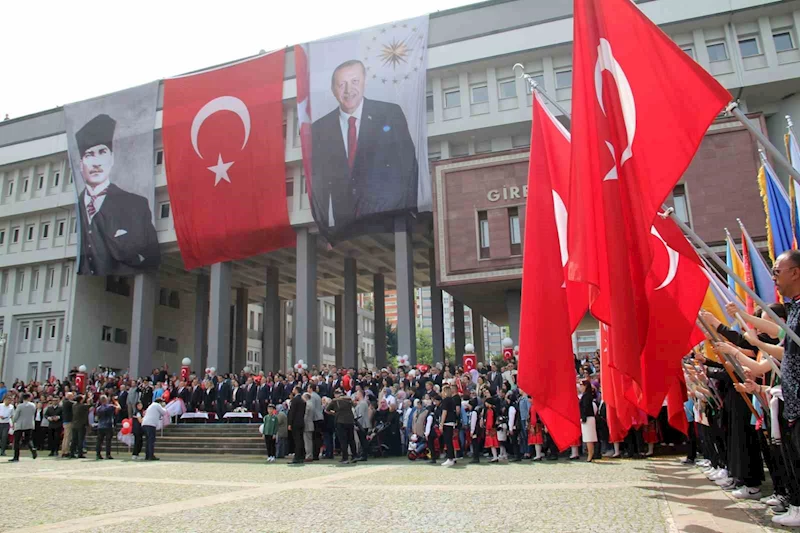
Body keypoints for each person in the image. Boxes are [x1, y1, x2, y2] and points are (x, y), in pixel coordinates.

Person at [310, 59, 419, 237]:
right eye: (341, 84)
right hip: (345, 228)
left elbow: (409, 167)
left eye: (354, 81)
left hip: (389, 222)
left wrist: (409, 215)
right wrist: (324, 230)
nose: (348, 90)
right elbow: (319, 184)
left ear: (364, 81)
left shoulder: (390, 114)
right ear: (333, 90)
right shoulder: (319, 129)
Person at [73, 113, 160, 276]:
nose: (96, 162)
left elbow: (151, 256)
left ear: (112, 159)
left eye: (102, 152)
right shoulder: (78, 206)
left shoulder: (135, 205)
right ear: (80, 164)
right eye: (89, 154)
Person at [327, 390, 357, 464]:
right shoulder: (349, 399)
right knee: (351, 439)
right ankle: (354, 456)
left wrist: (335, 413)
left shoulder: (335, 401)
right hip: (350, 421)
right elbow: (355, 406)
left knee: (343, 440)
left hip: (340, 421)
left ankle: (345, 458)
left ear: (335, 394)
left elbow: (327, 410)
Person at [10, 393, 37, 462]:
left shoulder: (20, 406)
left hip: (20, 424)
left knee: (17, 441)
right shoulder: (33, 405)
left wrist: (13, 421)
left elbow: (16, 416)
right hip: (29, 424)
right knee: (28, 439)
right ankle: (32, 448)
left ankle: (16, 456)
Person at [94, 395, 120, 460]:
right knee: (108, 441)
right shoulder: (110, 406)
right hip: (108, 425)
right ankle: (108, 454)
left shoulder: (98, 408)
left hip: (100, 425)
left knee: (99, 441)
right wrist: (116, 401)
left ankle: (98, 454)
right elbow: (118, 408)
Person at [579, 380, 598, 463]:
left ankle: (590, 455)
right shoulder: (586, 395)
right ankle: (590, 454)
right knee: (588, 438)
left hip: (588, 418)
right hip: (588, 418)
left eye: (581, 385)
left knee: (589, 438)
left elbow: (585, 408)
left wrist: (583, 418)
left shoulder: (586, 396)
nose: (580, 387)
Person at [439, 385, 458, 467]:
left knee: (448, 441)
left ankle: (450, 458)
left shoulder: (445, 400)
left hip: (447, 422)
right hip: (452, 421)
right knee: (450, 440)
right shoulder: (452, 400)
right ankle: (452, 457)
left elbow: (444, 412)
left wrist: (441, 423)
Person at [287, 387, 306, 464]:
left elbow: (292, 412)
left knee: (297, 440)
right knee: (300, 440)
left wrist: (290, 423)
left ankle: (297, 457)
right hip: (301, 422)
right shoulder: (302, 400)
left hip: (295, 422)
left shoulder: (295, 400)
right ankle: (301, 456)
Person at [60, 392, 74, 457]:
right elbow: (75, 403)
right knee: (68, 437)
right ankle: (66, 451)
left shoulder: (64, 402)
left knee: (65, 437)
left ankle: (64, 450)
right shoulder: (67, 402)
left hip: (65, 421)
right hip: (68, 421)